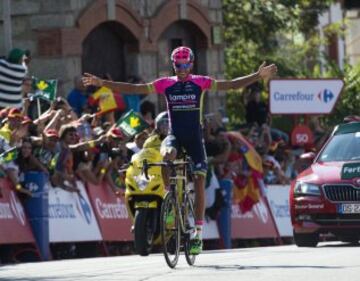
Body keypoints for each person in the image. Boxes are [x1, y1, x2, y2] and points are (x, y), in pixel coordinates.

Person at [82, 46, 277, 254]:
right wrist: (104, 84)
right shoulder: (166, 84)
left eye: (185, 65)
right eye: (177, 65)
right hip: (174, 136)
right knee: (166, 155)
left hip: (194, 138)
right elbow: (134, 89)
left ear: (191, 64)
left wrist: (256, 76)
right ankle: (169, 199)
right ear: (173, 65)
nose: (181, 69)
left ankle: (197, 234)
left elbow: (229, 85)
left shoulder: (200, 82)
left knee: (200, 179)